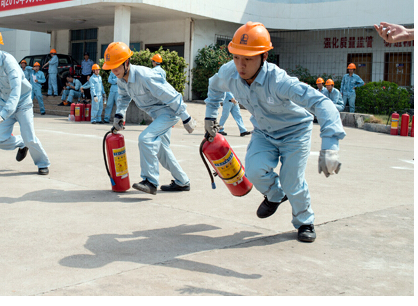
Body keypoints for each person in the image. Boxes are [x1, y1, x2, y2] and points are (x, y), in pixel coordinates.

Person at [204, 22, 345, 243]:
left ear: (264, 56)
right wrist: (210, 116)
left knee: (292, 181)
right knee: (253, 170)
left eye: (248, 59)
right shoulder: (229, 73)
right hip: (263, 132)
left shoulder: (279, 81)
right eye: (237, 57)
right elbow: (214, 87)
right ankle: (276, 195)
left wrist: (330, 145)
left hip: (294, 133)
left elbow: (321, 103)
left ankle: (304, 221)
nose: (241, 65)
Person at [104, 42, 197, 195]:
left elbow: (171, 95)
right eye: (111, 67)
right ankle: (182, 181)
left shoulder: (145, 76)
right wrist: (119, 115)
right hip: (157, 115)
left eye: (117, 66)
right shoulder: (121, 79)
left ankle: (150, 181)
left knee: (145, 139)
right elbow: (123, 98)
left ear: (126, 62)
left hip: (168, 112)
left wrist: (186, 118)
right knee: (161, 149)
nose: (114, 71)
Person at [0, 28, 51, 175]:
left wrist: (3, 115)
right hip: (3, 102)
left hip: (22, 103)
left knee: (30, 137)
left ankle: (42, 163)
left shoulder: (9, 62)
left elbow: (16, 92)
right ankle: (22, 143)